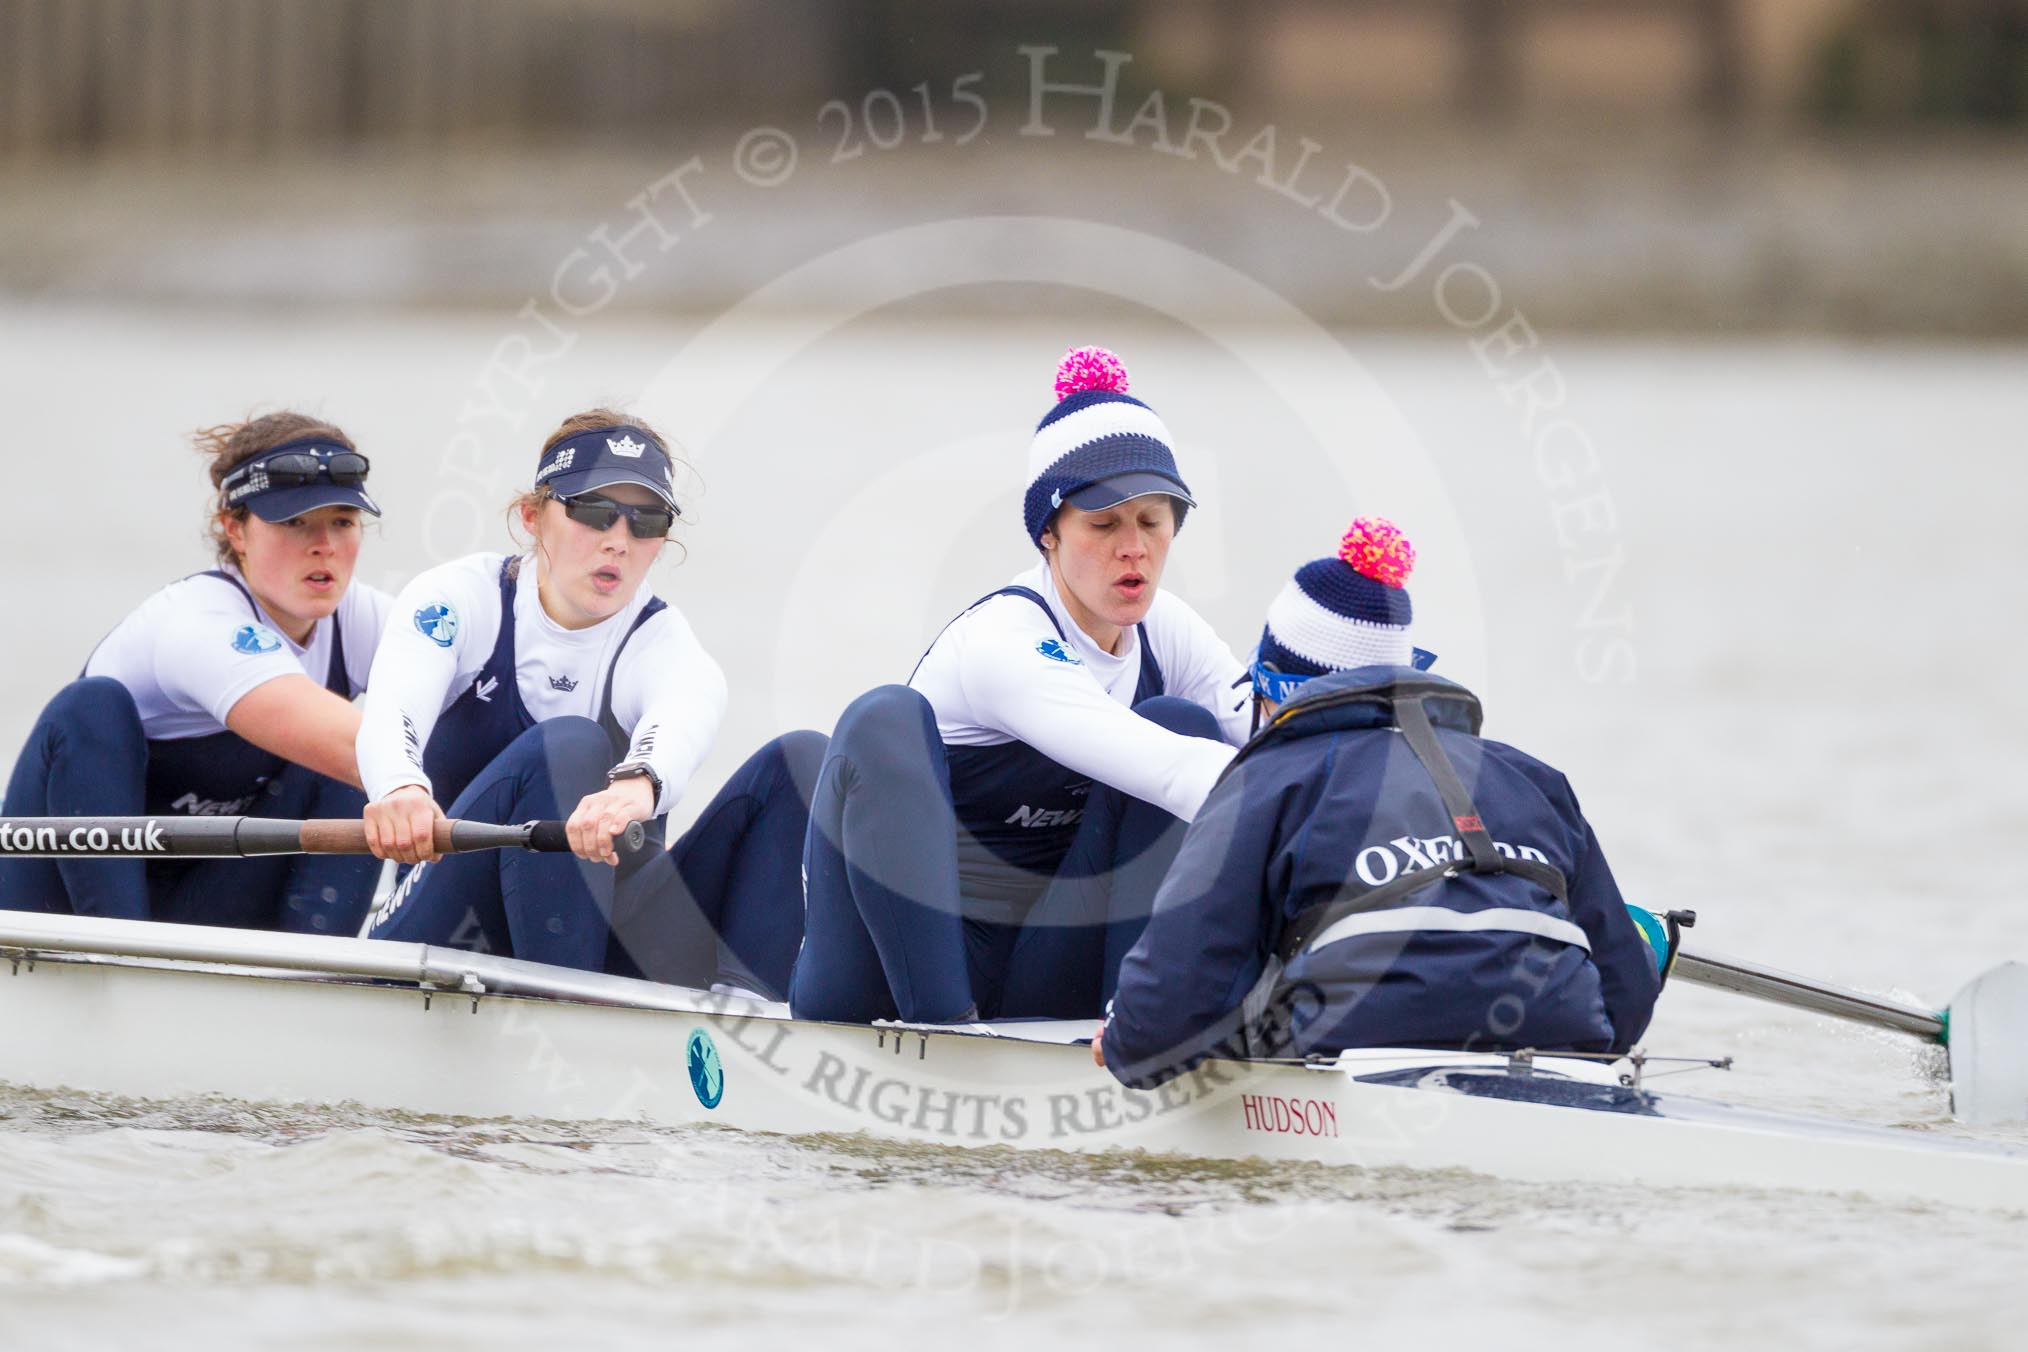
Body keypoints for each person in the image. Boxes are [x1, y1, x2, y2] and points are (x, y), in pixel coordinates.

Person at [1098, 518, 1664, 1088]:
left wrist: (1125, 1037)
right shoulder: (1533, 778)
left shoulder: (1266, 782)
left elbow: (1168, 1013)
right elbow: (1624, 1002)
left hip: (1361, 1044)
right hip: (1554, 1033)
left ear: (1274, 685)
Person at [789, 347, 1251, 1025]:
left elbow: (1275, 735)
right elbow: (1173, 772)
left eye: (1152, 522)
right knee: (883, 716)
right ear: (1047, 535)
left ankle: (1141, 1024)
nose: (1134, 548)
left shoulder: (1168, 629)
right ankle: (942, 1033)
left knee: (1181, 718)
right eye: (1103, 524)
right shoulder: (1002, 640)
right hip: (888, 972)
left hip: (1041, 966)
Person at [357, 410, 822, 996]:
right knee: (569, 744)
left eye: (646, 521)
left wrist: (639, 784)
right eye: (595, 512)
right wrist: (400, 789)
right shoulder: (460, 600)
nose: (618, 541)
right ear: (532, 517)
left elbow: (686, 709)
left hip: (605, 941)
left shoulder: (660, 641)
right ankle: (569, 1013)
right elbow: (392, 710)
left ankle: (748, 1019)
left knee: (803, 760)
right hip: (448, 924)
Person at [0, 412, 391, 932]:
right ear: (236, 529)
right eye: (294, 522)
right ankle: (124, 962)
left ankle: (323, 980)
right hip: (62, 898)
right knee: (90, 706)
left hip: (205, 897)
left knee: (372, 751)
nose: (324, 544)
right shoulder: (196, 622)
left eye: (342, 521)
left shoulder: (362, 619)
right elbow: (370, 751)